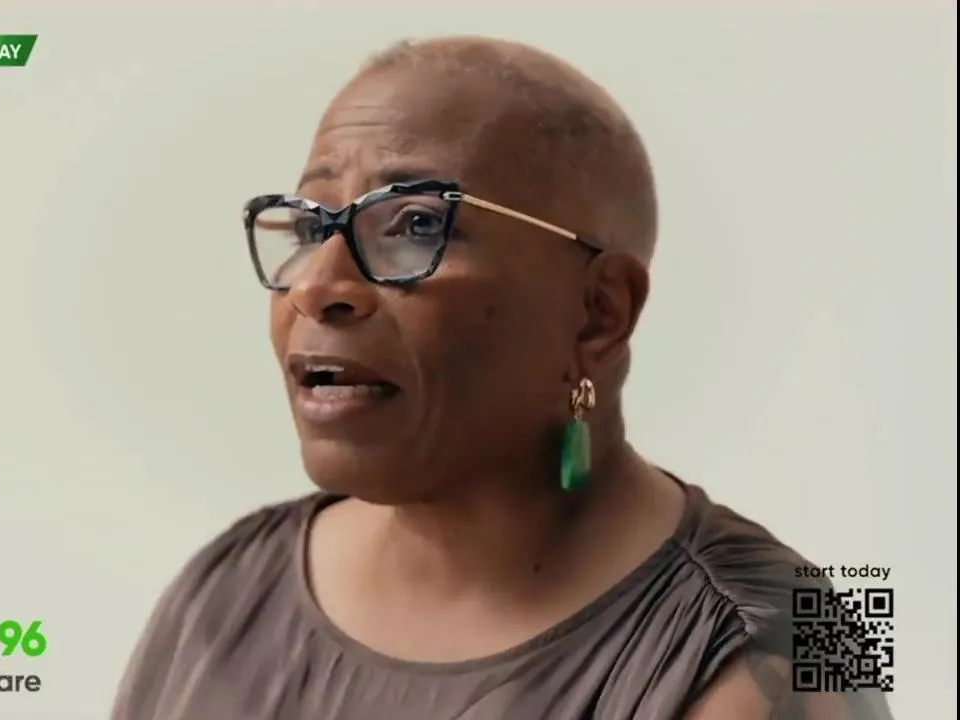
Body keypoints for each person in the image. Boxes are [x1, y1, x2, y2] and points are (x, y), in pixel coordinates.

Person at [111, 36, 895, 720]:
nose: (318, 286)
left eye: (416, 224)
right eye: (312, 227)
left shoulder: (795, 644)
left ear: (598, 313)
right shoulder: (223, 591)